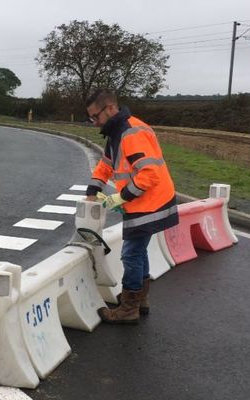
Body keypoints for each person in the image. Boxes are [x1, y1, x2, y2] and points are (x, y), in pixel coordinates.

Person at [85, 90, 179, 324]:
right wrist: (92, 190)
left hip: (150, 202)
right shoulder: (117, 133)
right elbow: (106, 165)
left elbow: (149, 174)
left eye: (96, 116)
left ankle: (129, 308)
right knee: (139, 250)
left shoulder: (130, 133)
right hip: (147, 200)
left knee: (131, 253)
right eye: (91, 119)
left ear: (110, 109)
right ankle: (140, 298)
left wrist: (122, 197)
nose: (94, 122)